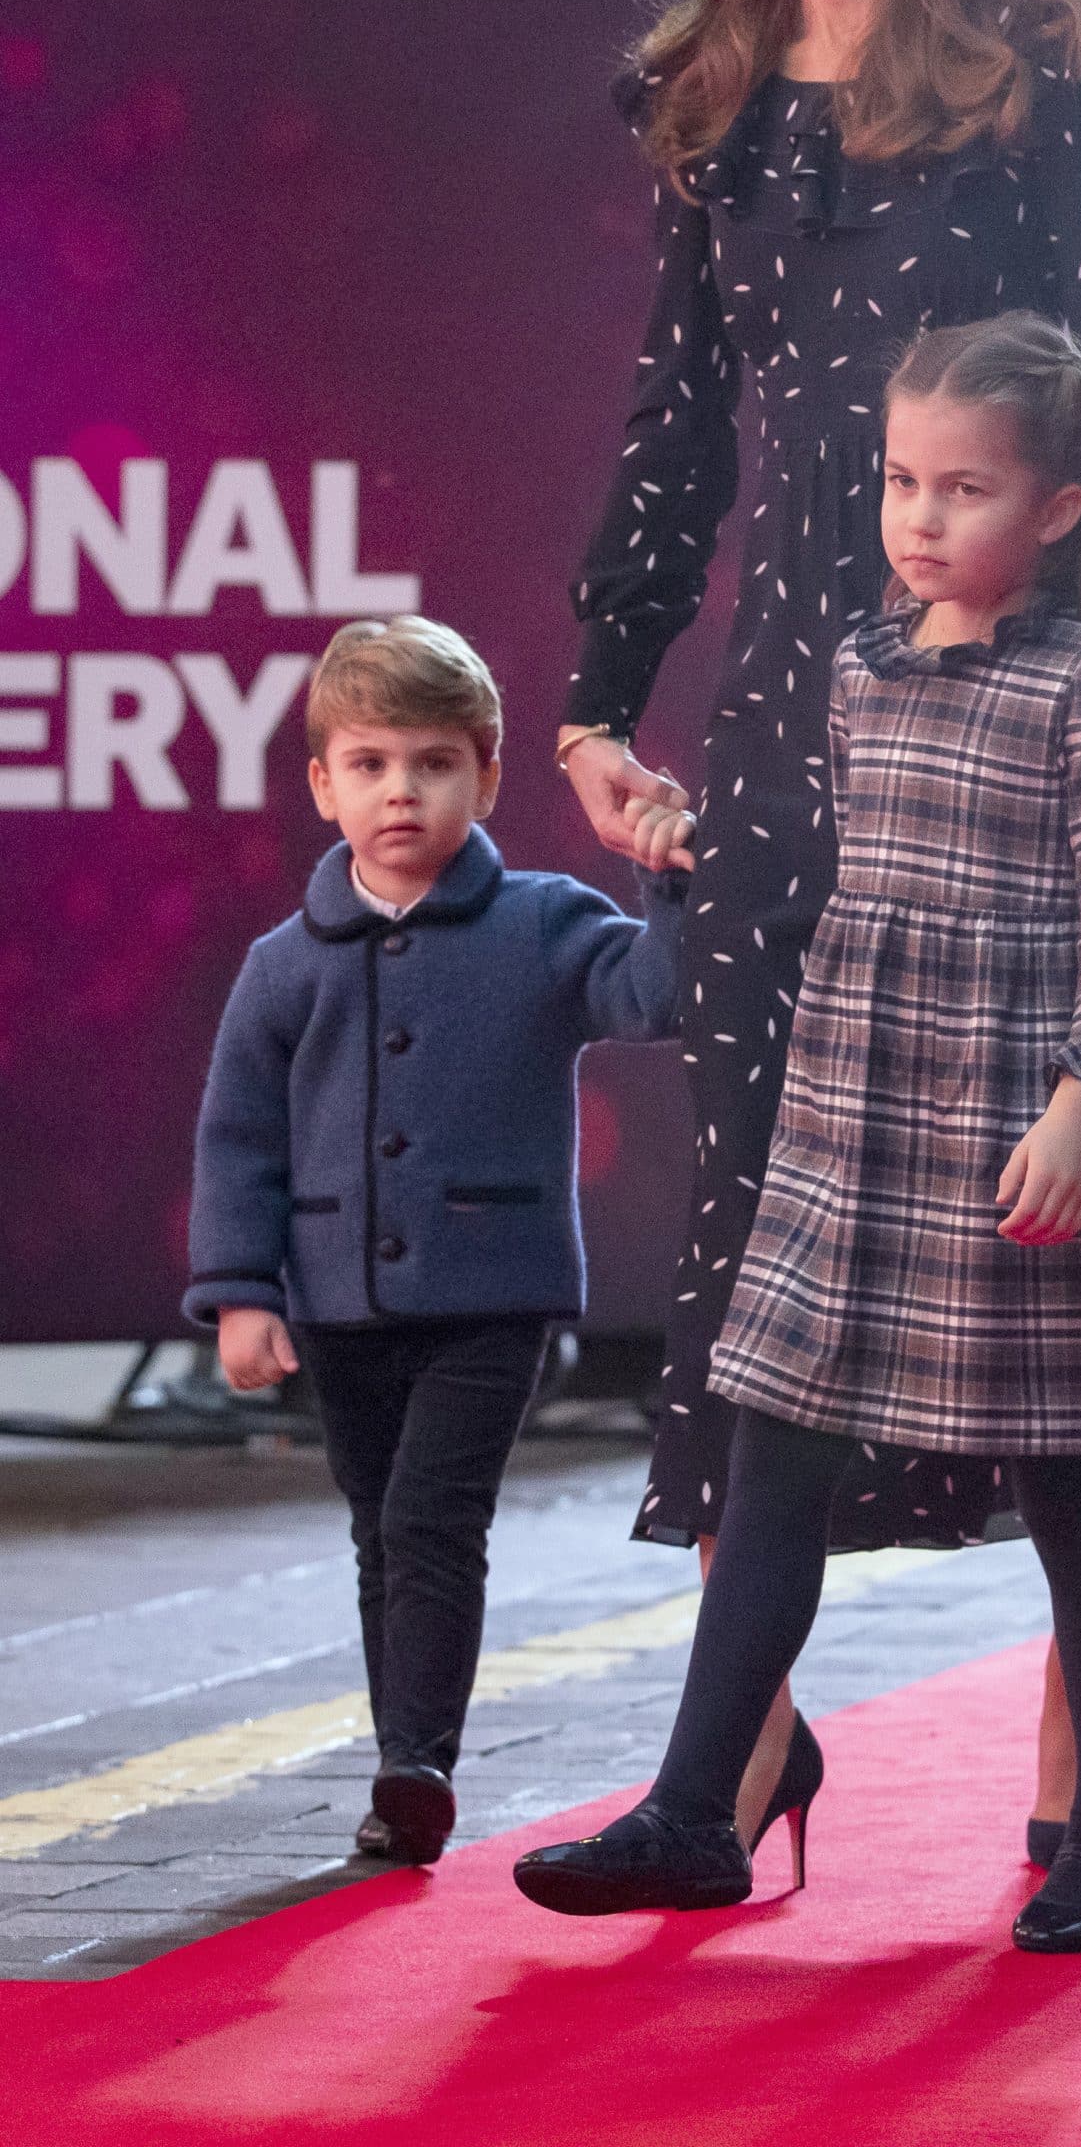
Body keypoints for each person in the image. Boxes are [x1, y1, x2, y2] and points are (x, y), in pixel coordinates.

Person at [554, 0, 1081, 1865]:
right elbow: (673, 423)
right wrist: (593, 689)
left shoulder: (1057, 28)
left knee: (1038, 1264)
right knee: (775, 1244)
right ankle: (716, 1766)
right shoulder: (714, 79)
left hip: (1013, 703)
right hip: (785, 720)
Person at [518, 314, 1081, 1955]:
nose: (919, 515)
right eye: (900, 480)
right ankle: (693, 1809)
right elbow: (853, 882)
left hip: (1026, 1112)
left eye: (963, 487)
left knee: (1073, 1490)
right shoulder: (860, 666)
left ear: (1051, 510)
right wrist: (683, 848)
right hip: (858, 1101)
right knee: (776, 1453)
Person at [184, 619, 689, 1869]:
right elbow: (239, 1134)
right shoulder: (280, 967)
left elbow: (656, 997)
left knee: (428, 1518)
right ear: (322, 784)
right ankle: (402, 1749)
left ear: (488, 775)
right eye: (368, 764)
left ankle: (418, 1763)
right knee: (378, 1527)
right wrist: (242, 1293)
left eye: (432, 763)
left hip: (492, 1296)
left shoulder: (545, 923)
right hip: (335, 1299)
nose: (400, 790)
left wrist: (669, 876)